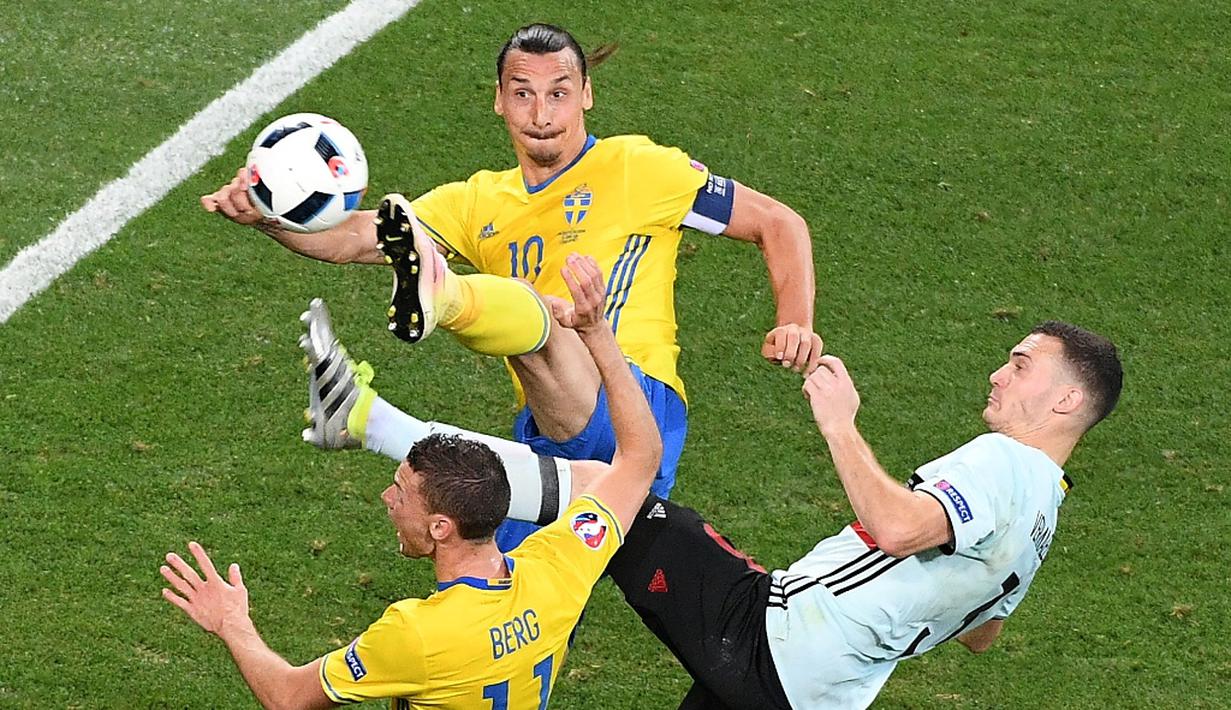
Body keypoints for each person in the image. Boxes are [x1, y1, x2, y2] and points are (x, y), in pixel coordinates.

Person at [201, 23, 823, 550]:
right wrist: (271, 219)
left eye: (558, 93)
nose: (541, 113)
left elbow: (778, 222)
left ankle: (438, 296)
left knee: (545, 316)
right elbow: (355, 237)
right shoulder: (480, 201)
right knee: (489, 607)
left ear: (587, 96)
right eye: (523, 93)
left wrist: (794, 319)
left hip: (635, 405)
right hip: (549, 427)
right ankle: (415, 329)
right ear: (499, 100)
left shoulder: (641, 167)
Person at [313, 319, 1122, 708]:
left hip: (766, 638)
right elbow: (981, 633)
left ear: (1062, 399)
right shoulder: (1043, 514)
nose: (997, 372)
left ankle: (378, 427)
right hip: (813, 697)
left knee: (619, 490)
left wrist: (839, 422)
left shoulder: (1003, 463)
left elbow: (904, 528)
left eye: (1019, 365)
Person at [159, 255, 663, 708]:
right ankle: (369, 420)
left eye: (399, 492)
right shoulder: (558, 570)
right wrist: (596, 332)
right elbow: (639, 461)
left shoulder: (415, 634)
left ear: (443, 527)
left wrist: (232, 622)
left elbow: (290, 697)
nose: (386, 497)